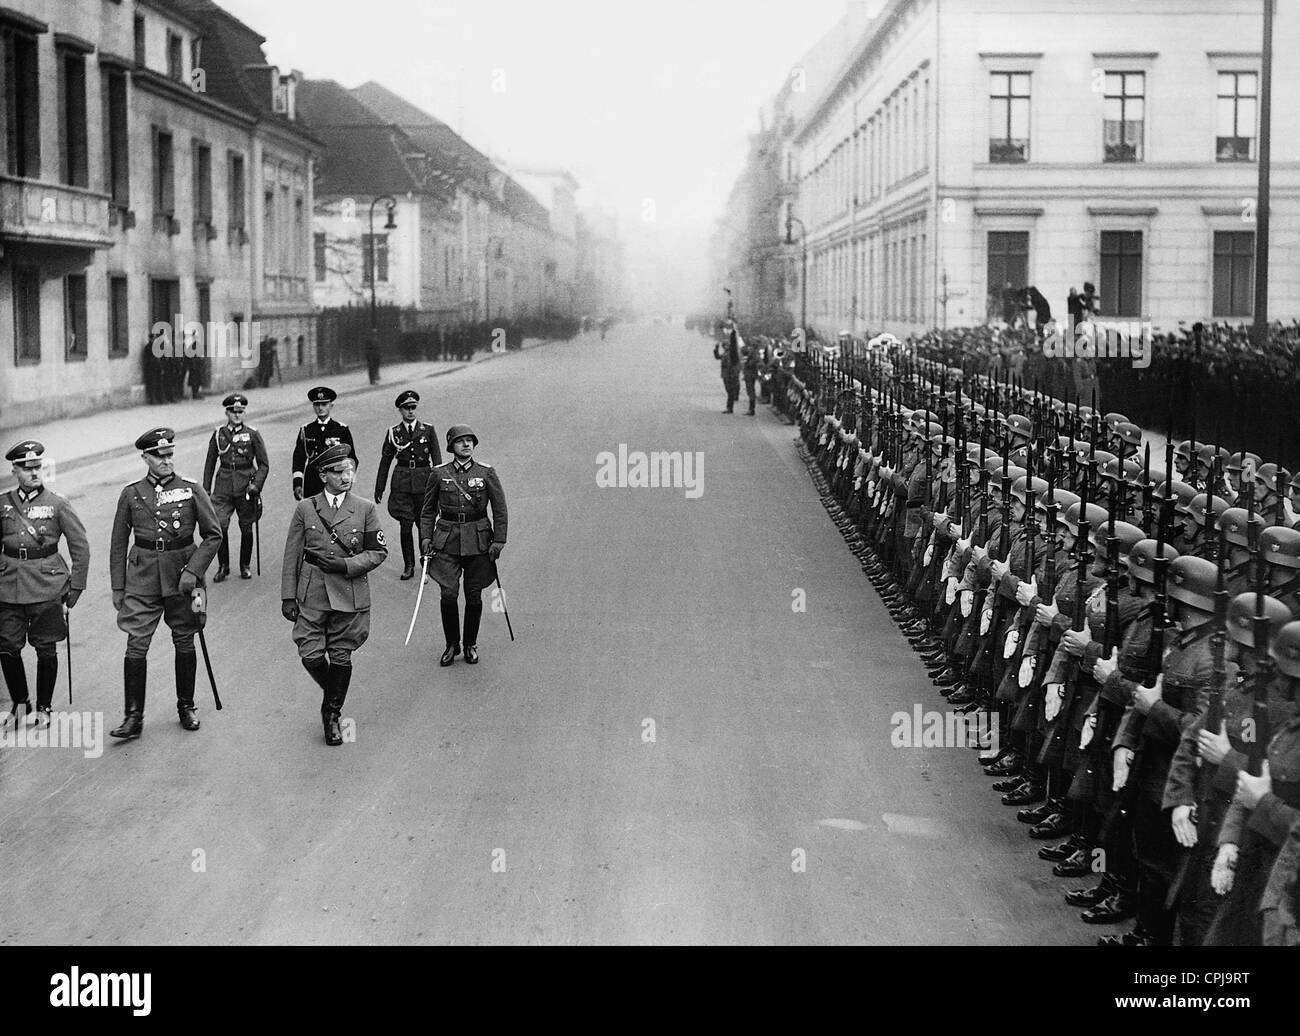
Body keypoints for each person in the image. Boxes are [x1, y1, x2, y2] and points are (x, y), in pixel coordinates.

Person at [109, 428, 222, 738]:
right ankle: (134, 716)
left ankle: (186, 705)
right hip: (142, 578)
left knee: (185, 638)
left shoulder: (191, 489)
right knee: (136, 643)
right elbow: (119, 544)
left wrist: (193, 571)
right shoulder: (132, 493)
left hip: (183, 576)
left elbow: (214, 534)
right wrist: (118, 587)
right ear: (146, 458)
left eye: (170, 454)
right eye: (159, 456)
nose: (166, 460)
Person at [281, 445, 387, 746]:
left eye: (349, 470)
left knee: (341, 652)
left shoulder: (365, 508)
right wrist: (288, 596)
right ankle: (336, 692)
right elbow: (292, 554)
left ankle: (331, 713)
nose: (346, 477)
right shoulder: (306, 508)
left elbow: (378, 552)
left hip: (348, 589)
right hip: (312, 589)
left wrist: (346, 564)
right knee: (310, 653)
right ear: (322, 475)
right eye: (338, 472)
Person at [0, 440, 90, 729]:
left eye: (38, 467)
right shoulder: (3, 504)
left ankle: (44, 707)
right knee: (6, 646)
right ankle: (20, 702)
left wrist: (76, 586)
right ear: (15, 470)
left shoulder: (57, 503)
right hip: (9, 586)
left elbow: (80, 547)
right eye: (27, 469)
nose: (34, 472)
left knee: (46, 648)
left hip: (47, 585)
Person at [419, 425, 507, 666]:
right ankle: (451, 644)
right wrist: (425, 539)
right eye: (460, 441)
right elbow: (427, 510)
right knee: (448, 594)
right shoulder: (438, 474)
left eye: (470, 441)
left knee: (474, 594)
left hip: (478, 541)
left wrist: (499, 540)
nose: (466, 445)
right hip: (446, 541)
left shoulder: (486, 473)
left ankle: (470, 644)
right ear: (451, 447)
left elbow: (499, 509)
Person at [374, 390, 441, 580]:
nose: (410, 411)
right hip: (402, 484)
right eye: (406, 408)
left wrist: (441, 487)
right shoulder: (394, 433)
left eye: (413, 407)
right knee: (405, 526)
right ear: (400, 410)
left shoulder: (428, 430)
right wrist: (380, 487)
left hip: (424, 482)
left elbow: (437, 462)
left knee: (424, 524)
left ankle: (425, 561)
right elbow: (385, 461)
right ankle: (409, 565)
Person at [203, 393, 270, 582]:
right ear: (227, 412)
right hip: (223, 486)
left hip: (245, 486)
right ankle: (223, 566)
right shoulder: (218, 434)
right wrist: (206, 490)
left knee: (246, 526)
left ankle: (245, 565)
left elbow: (264, 464)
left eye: (240, 411)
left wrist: (256, 484)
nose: (237, 415)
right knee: (219, 525)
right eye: (233, 411)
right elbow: (209, 463)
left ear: (245, 412)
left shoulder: (253, 434)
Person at [291, 386, 357, 501]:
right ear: (313, 406)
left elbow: (351, 458)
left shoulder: (341, 430)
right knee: (313, 515)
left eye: (324, 404)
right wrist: (297, 484)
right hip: (312, 481)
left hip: (335, 480)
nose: (320, 408)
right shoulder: (306, 430)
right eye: (317, 405)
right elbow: (298, 459)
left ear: (331, 406)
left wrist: (348, 479)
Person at [715, 325, 742, 414]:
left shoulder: (731, 354)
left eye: (726, 345)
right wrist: (716, 349)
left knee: (730, 391)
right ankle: (730, 405)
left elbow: (734, 363)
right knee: (728, 390)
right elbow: (718, 357)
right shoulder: (726, 353)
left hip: (730, 374)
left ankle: (729, 407)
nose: (725, 347)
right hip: (726, 375)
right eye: (723, 346)